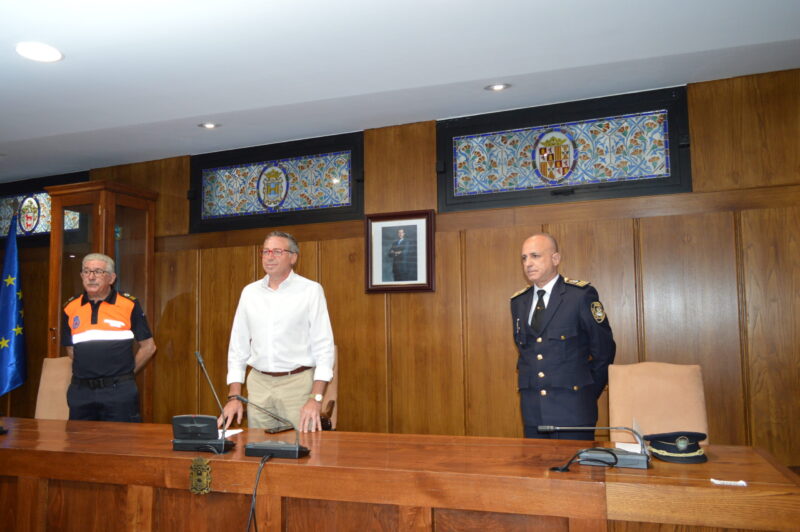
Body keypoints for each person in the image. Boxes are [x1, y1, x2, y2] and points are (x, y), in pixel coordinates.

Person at [220, 231, 335, 433]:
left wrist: (315, 398)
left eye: (277, 251)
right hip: (258, 384)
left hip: (298, 384)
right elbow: (237, 348)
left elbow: (324, 348)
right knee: (259, 450)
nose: (269, 256)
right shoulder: (250, 292)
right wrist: (234, 396)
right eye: (265, 252)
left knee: (302, 452)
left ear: (293, 257)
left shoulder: (310, 290)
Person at [510, 233, 615, 440]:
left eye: (535, 256)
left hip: (573, 410)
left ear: (555, 259)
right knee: (536, 470)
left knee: (575, 471)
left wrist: (586, 393)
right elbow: (527, 352)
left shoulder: (580, 296)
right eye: (524, 258)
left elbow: (604, 351)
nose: (528, 263)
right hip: (533, 413)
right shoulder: (518, 302)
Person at [61, 253, 156, 422]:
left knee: (122, 446)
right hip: (81, 392)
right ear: (81, 276)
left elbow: (149, 347)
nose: (91, 277)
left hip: (119, 393)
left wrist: (124, 375)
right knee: (79, 445)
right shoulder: (70, 307)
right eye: (86, 272)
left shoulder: (129, 304)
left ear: (111, 278)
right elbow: (71, 349)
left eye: (98, 272)